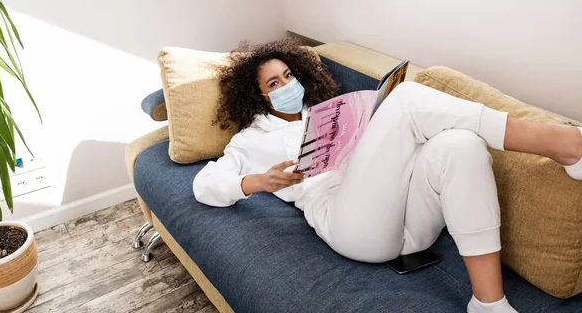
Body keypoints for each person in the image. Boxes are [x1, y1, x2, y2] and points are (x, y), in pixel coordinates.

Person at [193, 39, 582, 313]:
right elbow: (204, 186)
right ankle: (562, 142)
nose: (287, 86)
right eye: (274, 84)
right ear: (259, 97)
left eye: (289, 76)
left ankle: (489, 303)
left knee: (459, 144)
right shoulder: (249, 141)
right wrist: (258, 182)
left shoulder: (326, 111)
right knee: (408, 99)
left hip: (407, 220)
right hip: (349, 226)